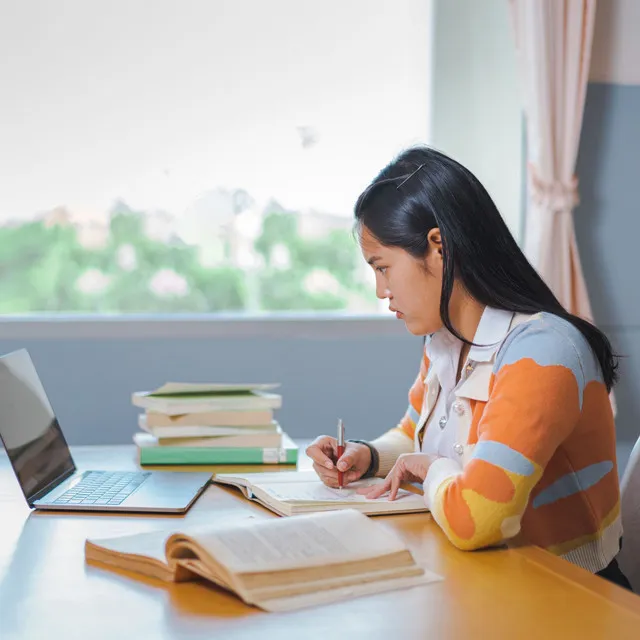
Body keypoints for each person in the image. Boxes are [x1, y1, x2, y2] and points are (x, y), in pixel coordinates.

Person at [306, 146, 631, 589]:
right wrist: (367, 458)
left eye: (383, 267)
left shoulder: (542, 352)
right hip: (486, 584)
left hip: (568, 598)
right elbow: (413, 433)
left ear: (438, 246)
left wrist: (433, 468)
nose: (381, 290)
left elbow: (476, 518)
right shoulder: (444, 341)